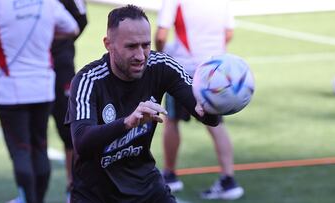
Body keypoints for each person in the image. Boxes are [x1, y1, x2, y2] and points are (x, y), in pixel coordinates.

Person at [64, 4, 219, 203]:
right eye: (131, 46)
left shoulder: (162, 66)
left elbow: (209, 117)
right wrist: (127, 123)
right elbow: (81, 141)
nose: (140, 56)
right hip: (96, 196)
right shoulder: (88, 80)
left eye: (146, 45)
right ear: (108, 44)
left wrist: (213, 104)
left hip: (147, 189)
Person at [155, 0, 244, 200]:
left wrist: (161, 55)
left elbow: (161, 35)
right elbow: (228, 32)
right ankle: (228, 179)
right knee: (216, 123)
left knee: (172, 120)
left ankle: (169, 175)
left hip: (184, 69)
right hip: (215, 70)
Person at [0, 0, 79, 202]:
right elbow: (72, 27)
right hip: (42, 87)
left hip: (10, 90)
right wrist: (48, 34)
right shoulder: (48, 3)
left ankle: (30, 199)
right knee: (40, 147)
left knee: (21, 150)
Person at [50, 0, 87, 201]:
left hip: (61, 64)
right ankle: (28, 193)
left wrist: (59, 40)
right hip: (31, 69)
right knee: (30, 130)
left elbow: (81, 19)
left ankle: (73, 187)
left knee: (70, 128)